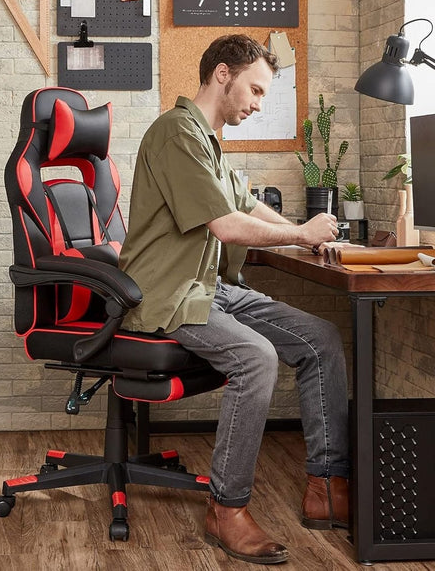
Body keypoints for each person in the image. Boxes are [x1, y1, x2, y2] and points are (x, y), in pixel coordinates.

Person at [119, 34, 349, 565]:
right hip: (170, 293)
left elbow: (246, 203)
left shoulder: (208, 139)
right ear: (223, 75)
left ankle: (327, 487)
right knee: (256, 357)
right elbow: (227, 225)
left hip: (212, 288)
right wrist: (302, 232)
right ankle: (227, 508)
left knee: (321, 339)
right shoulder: (175, 133)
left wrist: (304, 232)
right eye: (256, 89)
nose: (258, 103)